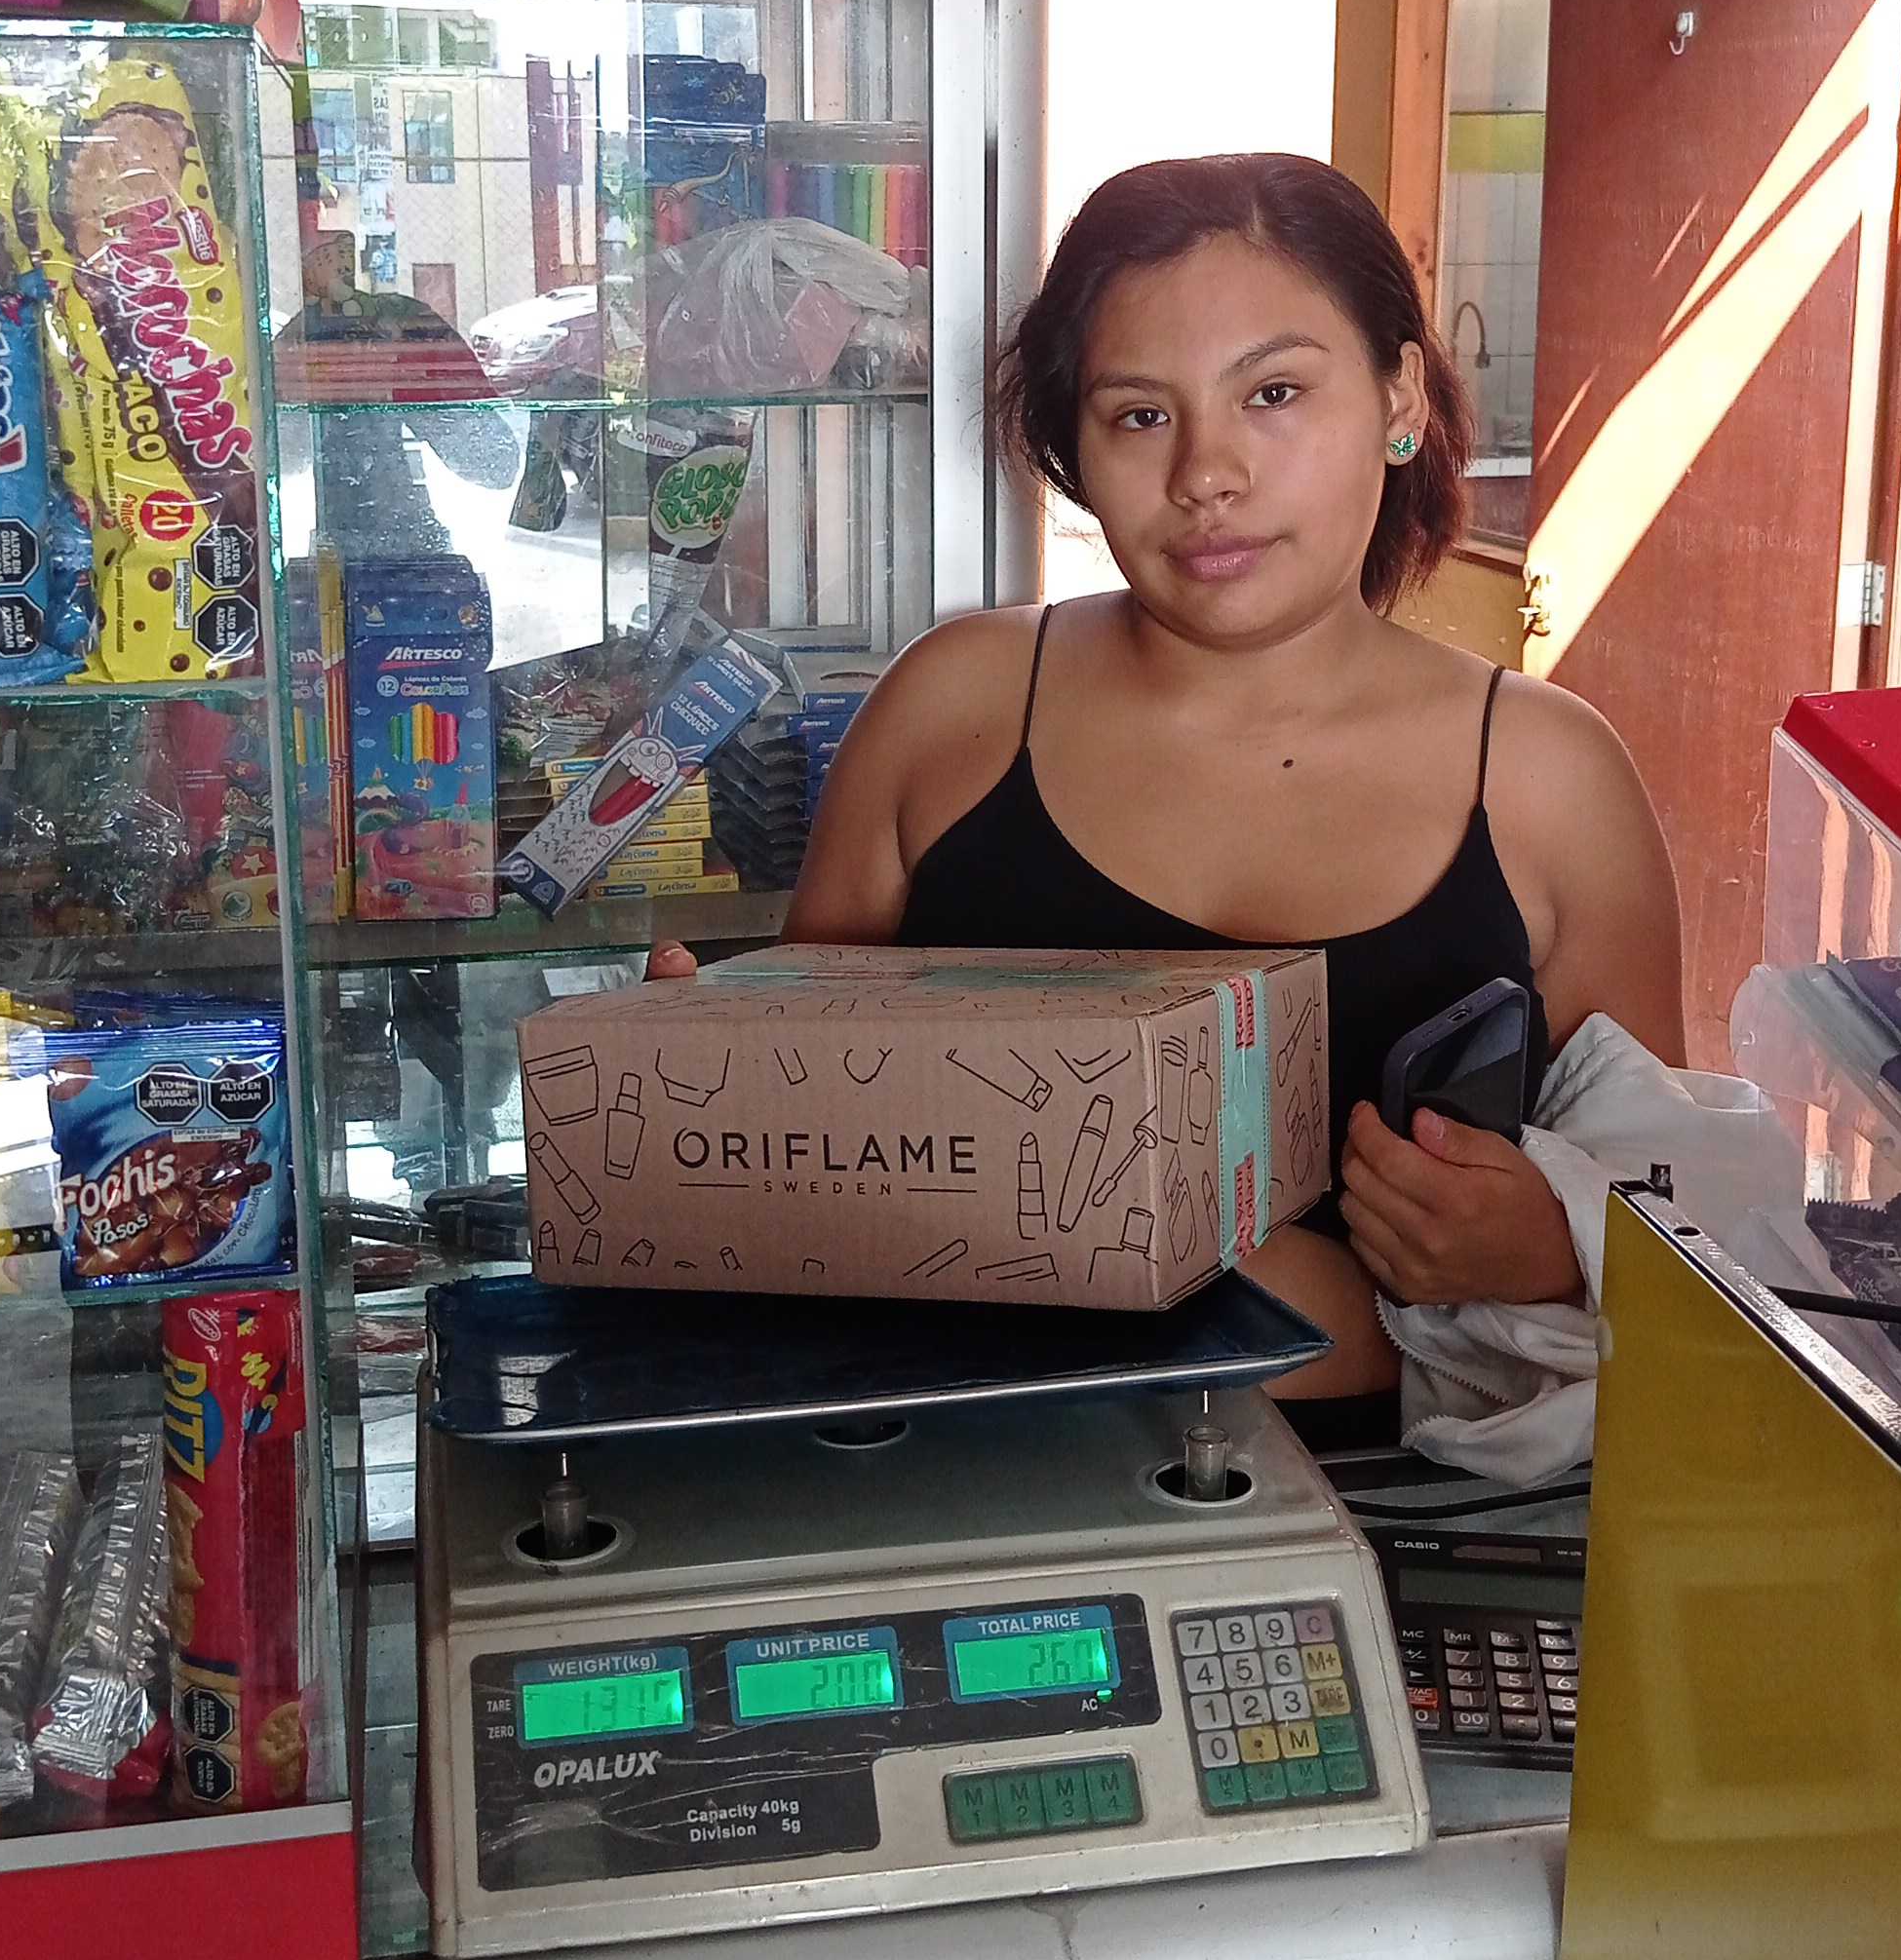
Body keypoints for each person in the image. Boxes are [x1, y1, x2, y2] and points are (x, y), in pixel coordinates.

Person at [681, 152, 1683, 1437]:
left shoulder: (1550, 780)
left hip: (1398, 1515)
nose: (1208, 472)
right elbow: (813, 1146)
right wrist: (704, 1092)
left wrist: (1551, 1246)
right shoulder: (952, 713)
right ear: (1073, 446)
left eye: (1274, 393)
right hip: (952, 1480)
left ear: (1399, 398)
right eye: (1140, 416)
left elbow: (1682, 1229)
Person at [273, 227, 520, 557]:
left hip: (410, 543)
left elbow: (496, 464)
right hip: (349, 548)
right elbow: (271, 460)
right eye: (323, 259)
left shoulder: (406, 325)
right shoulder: (301, 339)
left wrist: (407, 386)